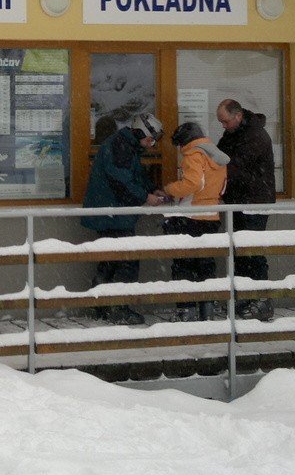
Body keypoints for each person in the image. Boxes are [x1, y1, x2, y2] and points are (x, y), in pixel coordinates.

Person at [81, 114, 166, 321]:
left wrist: (152, 188)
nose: (151, 145)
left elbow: (135, 176)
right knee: (127, 261)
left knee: (110, 261)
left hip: (110, 212)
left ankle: (100, 306)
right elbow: (122, 182)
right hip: (114, 213)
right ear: (140, 132)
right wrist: (146, 196)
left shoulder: (125, 145)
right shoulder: (121, 147)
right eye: (150, 139)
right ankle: (118, 309)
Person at [161, 122, 229, 319]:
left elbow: (192, 183)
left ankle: (186, 309)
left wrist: (169, 190)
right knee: (205, 264)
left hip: (190, 216)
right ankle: (207, 308)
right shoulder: (215, 155)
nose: (180, 150)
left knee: (183, 264)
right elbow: (222, 187)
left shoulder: (193, 155)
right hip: (211, 215)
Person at [217, 97, 277, 320]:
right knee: (240, 252)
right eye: (221, 122)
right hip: (239, 201)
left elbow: (236, 168)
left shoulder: (255, 136)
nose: (223, 126)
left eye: (225, 122)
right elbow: (224, 159)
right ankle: (244, 296)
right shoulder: (233, 134)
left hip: (254, 202)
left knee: (252, 252)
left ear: (238, 116)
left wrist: (217, 172)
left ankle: (261, 300)